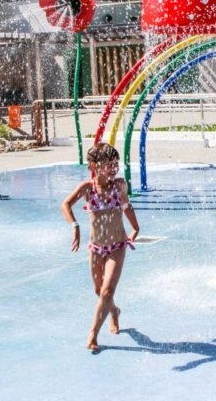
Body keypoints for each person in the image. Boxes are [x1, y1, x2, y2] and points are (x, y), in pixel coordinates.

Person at [60, 143, 140, 351]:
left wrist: (135, 227)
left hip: (117, 246)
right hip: (96, 248)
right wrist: (75, 226)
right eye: (109, 165)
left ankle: (93, 334)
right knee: (100, 291)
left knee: (106, 292)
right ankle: (114, 311)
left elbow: (126, 206)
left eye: (116, 164)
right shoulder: (88, 189)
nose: (114, 169)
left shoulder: (120, 185)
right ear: (95, 166)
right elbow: (65, 205)